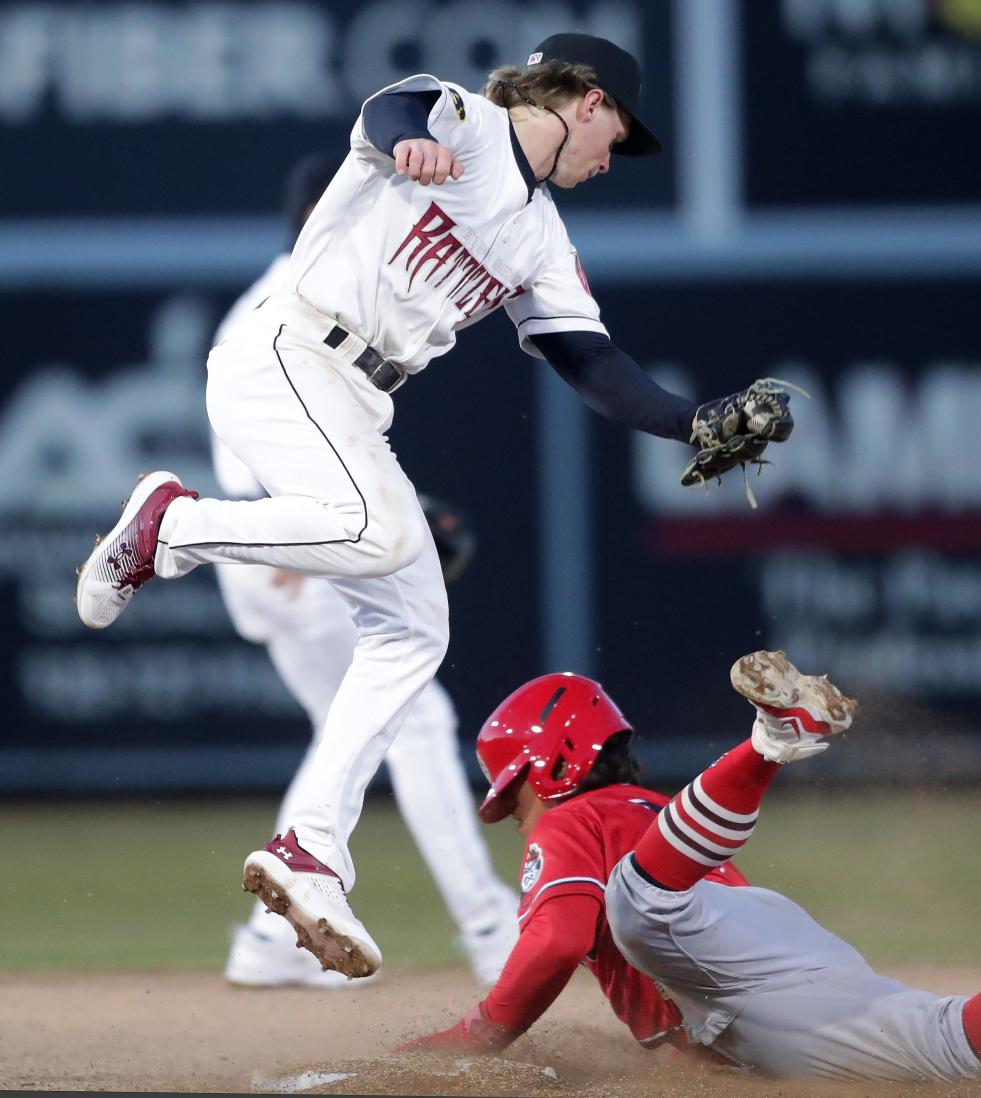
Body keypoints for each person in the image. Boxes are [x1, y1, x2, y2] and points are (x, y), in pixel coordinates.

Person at [73, 33, 794, 979]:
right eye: (617, 127)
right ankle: (172, 525)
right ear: (582, 98)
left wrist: (693, 421)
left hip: (354, 396)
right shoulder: (468, 121)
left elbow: (592, 363)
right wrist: (411, 139)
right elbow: (389, 111)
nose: (613, 153)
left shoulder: (541, 240)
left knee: (414, 630)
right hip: (288, 351)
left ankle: (311, 851)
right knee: (377, 531)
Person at [399, 651, 981, 1086]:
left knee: (635, 909)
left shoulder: (573, 818)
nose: (518, 819)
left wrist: (478, 1037)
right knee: (943, 1045)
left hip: (699, 928)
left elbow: (556, 941)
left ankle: (770, 742)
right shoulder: (649, 808)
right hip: (761, 959)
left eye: (516, 797)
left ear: (551, 767)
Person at [214, 155, 518, 989]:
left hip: (286, 547)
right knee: (413, 717)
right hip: (290, 551)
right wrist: (301, 549)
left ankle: (270, 941)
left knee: (353, 727)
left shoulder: (315, 288)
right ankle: (492, 926)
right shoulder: (291, 297)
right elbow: (260, 445)